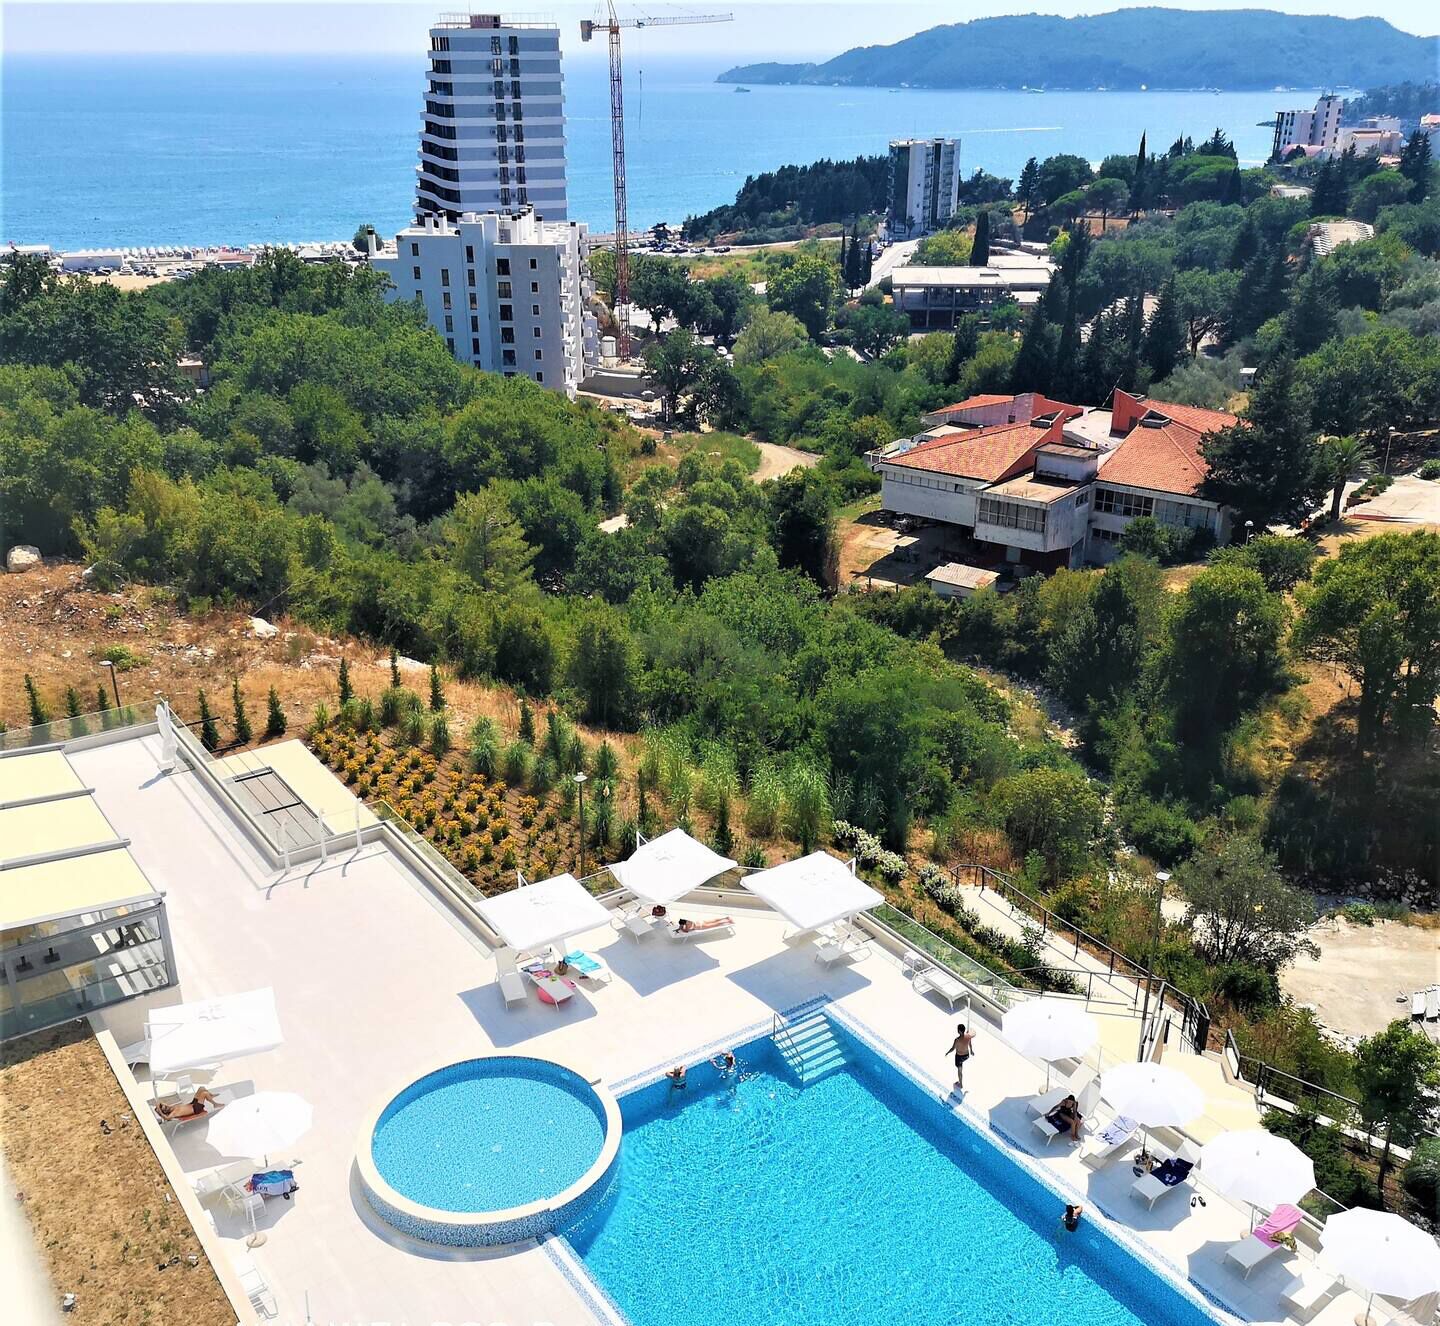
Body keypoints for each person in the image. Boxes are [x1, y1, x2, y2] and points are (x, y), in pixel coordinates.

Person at [155, 1087, 222, 1121]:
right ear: (166, 1112)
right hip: (196, 1108)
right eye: (166, 1108)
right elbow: (166, 1118)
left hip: (192, 1103)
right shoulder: (173, 1113)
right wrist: (160, 1111)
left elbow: (161, 1103)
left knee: (201, 1088)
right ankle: (215, 1104)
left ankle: (211, 1096)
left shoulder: (171, 1107)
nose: (167, 1106)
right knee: (204, 1093)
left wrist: (159, 1106)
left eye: (166, 1106)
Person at [946, 1023, 976, 1088]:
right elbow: (970, 1044)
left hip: (959, 1057)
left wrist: (947, 1052)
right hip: (966, 1056)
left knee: (959, 1070)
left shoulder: (957, 1040)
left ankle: (961, 1084)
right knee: (959, 1066)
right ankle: (960, 1080)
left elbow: (953, 1049)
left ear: (959, 1031)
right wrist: (971, 1051)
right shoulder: (968, 1036)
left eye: (958, 1029)